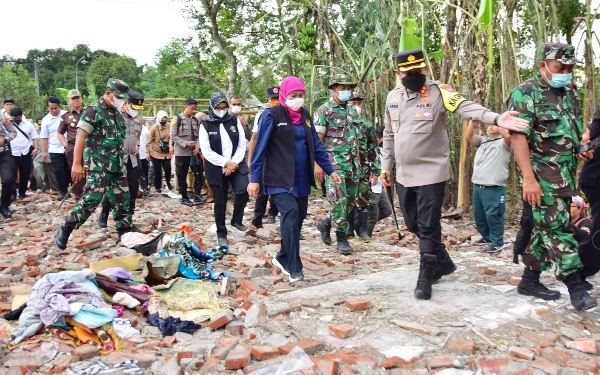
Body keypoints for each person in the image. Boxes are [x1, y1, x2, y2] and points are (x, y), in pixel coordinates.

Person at [381, 48, 529, 300]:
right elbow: (388, 133)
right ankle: (444, 261)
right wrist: (385, 165)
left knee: (428, 226)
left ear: (424, 69)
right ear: (398, 73)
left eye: (418, 71)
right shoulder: (393, 97)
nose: (414, 76)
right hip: (403, 174)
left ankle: (425, 276)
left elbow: (467, 107)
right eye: (408, 72)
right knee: (414, 224)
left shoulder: (440, 92)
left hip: (431, 173)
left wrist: (497, 117)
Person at [509, 43, 596, 310]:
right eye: (561, 68)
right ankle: (576, 285)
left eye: (570, 68)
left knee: (544, 227)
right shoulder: (525, 93)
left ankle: (529, 279)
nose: (566, 73)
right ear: (543, 65)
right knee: (558, 228)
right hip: (541, 175)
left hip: (565, 173)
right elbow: (518, 136)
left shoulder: (569, 92)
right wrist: (528, 178)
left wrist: (580, 148)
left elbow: (569, 129)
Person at [248, 76, 342, 282]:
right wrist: (254, 178)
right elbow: (260, 149)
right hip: (278, 178)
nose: (297, 99)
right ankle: (294, 266)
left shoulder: (306, 117)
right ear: (283, 95)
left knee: (296, 221)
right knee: (290, 214)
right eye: (293, 96)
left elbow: (316, 146)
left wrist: (330, 170)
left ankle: (281, 257)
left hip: (300, 179)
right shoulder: (271, 115)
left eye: (301, 96)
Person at [54, 78, 139, 250]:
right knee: (90, 200)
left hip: (116, 166)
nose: (122, 101)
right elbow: (80, 137)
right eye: (119, 97)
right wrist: (76, 164)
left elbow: (118, 140)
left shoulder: (117, 113)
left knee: (123, 199)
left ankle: (124, 231)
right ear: (108, 93)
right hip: (98, 166)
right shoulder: (93, 110)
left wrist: (122, 164)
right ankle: (66, 229)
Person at [315, 73, 361, 255]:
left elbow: (356, 137)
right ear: (334, 89)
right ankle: (341, 239)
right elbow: (317, 140)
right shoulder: (324, 110)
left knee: (349, 201)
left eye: (348, 88)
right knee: (339, 200)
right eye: (342, 88)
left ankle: (326, 223)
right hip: (334, 163)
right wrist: (318, 164)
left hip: (353, 163)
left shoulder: (352, 111)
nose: (346, 91)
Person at [199, 92, 249, 244]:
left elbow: (241, 144)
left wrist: (233, 163)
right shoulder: (206, 124)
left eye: (224, 107)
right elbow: (206, 150)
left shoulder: (233, 120)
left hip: (236, 163)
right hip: (216, 166)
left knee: (243, 190)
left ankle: (236, 220)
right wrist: (225, 163)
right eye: (218, 108)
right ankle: (221, 232)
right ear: (212, 107)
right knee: (220, 200)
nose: (221, 110)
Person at [98, 91, 145, 227]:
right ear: (126, 103)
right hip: (117, 159)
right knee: (112, 188)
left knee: (132, 188)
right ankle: (105, 213)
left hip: (132, 159)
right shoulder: (115, 117)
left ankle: (128, 219)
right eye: (133, 107)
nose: (135, 111)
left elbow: (136, 138)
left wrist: (136, 147)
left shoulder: (138, 120)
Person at [467, 119, 512, 253]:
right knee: (479, 216)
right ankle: (487, 238)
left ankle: (497, 242)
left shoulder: (504, 143)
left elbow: (508, 136)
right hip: (478, 185)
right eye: (490, 124)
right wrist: (472, 120)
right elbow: (469, 136)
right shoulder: (483, 141)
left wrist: (500, 123)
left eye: (495, 125)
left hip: (494, 186)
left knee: (494, 215)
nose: (491, 126)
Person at [346, 91, 379, 242]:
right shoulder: (341, 124)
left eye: (359, 103)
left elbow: (373, 148)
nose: (357, 106)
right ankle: (348, 230)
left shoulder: (366, 125)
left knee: (364, 199)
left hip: (364, 169)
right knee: (348, 200)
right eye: (353, 103)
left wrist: (376, 170)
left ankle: (363, 230)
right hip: (347, 169)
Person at [248, 86, 281, 228]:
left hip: (280, 159)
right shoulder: (263, 115)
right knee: (261, 190)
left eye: (278, 98)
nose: (276, 101)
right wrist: (251, 160)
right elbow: (254, 138)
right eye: (273, 99)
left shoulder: (288, 114)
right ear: (268, 100)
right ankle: (257, 218)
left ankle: (273, 213)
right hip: (265, 158)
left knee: (278, 188)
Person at [171, 99, 206, 206]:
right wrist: (185, 143)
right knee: (182, 174)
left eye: (195, 109)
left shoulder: (195, 120)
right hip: (182, 152)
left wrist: (197, 146)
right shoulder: (177, 119)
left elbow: (200, 136)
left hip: (194, 152)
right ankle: (184, 196)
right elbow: (173, 136)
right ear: (185, 107)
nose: (193, 111)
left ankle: (197, 194)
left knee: (199, 173)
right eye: (192, 109)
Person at [41, 96, 70, 200]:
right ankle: (63, 191)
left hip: (68, 147)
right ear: (47, 108)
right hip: (54, 148)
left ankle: (69, 188)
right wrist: (44, 152)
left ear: (59, 106)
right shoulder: (45, 120)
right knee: (58, 170)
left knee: (68, 169)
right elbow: (45, 137)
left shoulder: (66, 115)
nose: (54, 110)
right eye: (51, 108)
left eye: (55, 108)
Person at [57, 89, 85, 201]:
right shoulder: (66, 117)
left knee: (90, 171)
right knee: (76, 173)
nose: (76, 101)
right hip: (73, 147)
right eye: (73, 99)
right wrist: (65, 145)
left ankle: (91, 196)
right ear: (69, 101)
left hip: (88, 146)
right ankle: (79, 197)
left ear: (81, 99)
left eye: (77, 98)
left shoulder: (88, 113)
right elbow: (59, 133)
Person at [366, 127, 392, 237]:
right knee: (372, 215)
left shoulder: (381, 150)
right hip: (372, 186)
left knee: (387, 210)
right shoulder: (368, 151)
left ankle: (359, 225)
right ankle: (366, 236)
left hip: (380, 187)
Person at [9, 108, 38, 200]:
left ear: (21, 116)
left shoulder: (28, 125)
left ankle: (22, 192)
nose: (16, 120)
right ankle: (12, 192)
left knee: (25, 172)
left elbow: (34, 137)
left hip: (25, 151)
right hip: (12, 151)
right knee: (11, 173)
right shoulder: (7, 125)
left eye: (18, 118)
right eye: (14, 118)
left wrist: (36, 148)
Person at [146, 110, 173, 194]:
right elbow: (149, 140)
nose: (163, 122)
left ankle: (168, 182)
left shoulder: (169, 126)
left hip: (166, 152)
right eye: (162, 121)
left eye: (165, 121)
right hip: (156, 152)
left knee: (168, 168)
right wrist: (147, 152)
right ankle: (158, 186)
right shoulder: (154, 127)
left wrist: (171, 146)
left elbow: (171, 137)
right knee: (157, 171)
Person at [0, 116, 17, 217]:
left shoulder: (3, 116)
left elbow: (13, 132)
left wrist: (5, 140)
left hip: (3, 153)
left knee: (8, 179)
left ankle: (4, 206)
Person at [138, 118, 150, 197]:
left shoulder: (145, 129)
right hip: (136, 154)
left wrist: (148, 153)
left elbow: (149, 141)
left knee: (145, 171)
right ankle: (144, 188)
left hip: (144, 153)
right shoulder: (130, 128)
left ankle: (146, 188)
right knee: (140, 171)